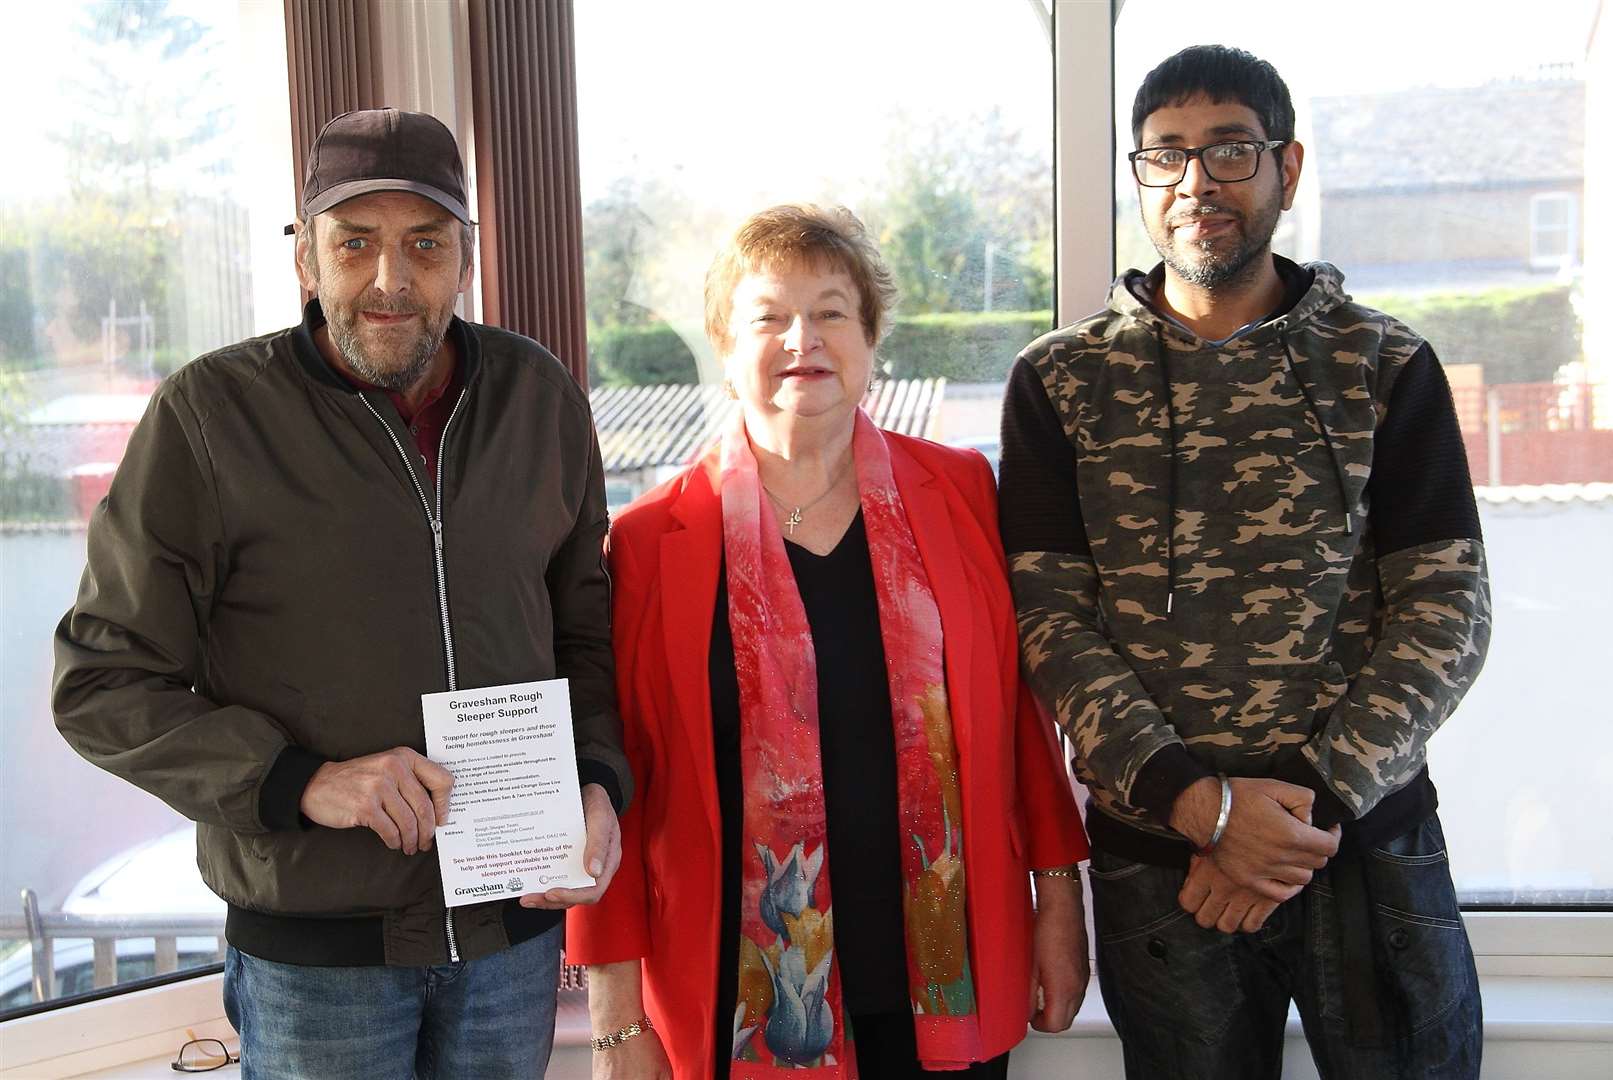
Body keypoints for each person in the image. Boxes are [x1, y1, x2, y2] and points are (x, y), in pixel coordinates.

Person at [52, 108, 630, 1078]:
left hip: (512, 943)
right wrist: (300, 780)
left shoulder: (541, 399)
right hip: (318, 967)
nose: (391, 280)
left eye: (425, 245)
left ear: (465, 258)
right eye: (355, 243)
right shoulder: (210, 421)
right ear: (307, 260)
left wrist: (600, 783)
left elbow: (584, 632)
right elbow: (101, 685)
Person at [998, 45, 1490, 1080]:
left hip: (1363, 845)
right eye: (1166, 157)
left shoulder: (1384, 365)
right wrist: (1202, 809)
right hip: (1163, 866)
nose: (1196, 185)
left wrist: (1295, 815)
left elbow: (1447, 612)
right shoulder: (1061, 382)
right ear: (1140, 175)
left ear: (1286, 168)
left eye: (1230, 152)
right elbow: (1047, 623)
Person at [568, 204, 1089, 1079]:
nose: (801, 337)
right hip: (740, 998)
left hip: (942, 971)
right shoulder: (654, 541)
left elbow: (1019, 720)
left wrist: (1060, 897)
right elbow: (618, 787)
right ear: (726, 349)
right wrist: (618, 1023)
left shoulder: (962, 492)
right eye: (768, 316)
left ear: (870, 338)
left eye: (831, 311)